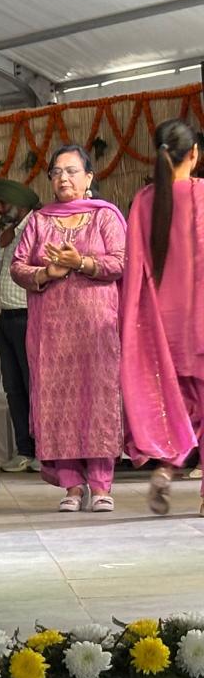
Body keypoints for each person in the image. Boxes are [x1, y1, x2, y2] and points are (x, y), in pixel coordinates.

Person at [9, 145, 125, 511]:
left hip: (97, 327)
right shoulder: (40, 221)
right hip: (51, 331)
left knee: (98, 399)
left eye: (72, 171)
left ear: (89, 177)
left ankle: (102, 485)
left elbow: (121, 262)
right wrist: (47, 272)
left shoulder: (104, 216)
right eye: (57, 172)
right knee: (58, 402)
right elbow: (17, 267)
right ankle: (72, 487)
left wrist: (83, 262)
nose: (63, 178)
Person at [122, 119, 204, 516]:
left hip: (161, 328)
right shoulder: (201, 194)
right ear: (194, 154)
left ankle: (167, 468)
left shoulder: (143, 201)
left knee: (180, 407)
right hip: (199, 323)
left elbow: (135, 269)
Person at [0, 179, 41, 473]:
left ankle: (44, 450)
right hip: (6, 318)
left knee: (34, 385)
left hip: (28, 316)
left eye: (3, 204)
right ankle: (24, 450)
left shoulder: (36, 227)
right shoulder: (9, 233)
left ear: (19, 205)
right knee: (13, 388)